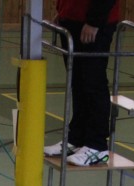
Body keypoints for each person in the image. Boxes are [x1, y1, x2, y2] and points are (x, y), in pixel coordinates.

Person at [42, 0, 121, 167]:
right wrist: (63, 11)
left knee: (93, 83)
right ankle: (76, 139)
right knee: (77, 83)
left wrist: (94, 21)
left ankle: (97, 145)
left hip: (94, 23)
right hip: (72, 20)